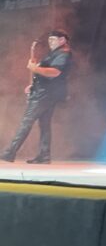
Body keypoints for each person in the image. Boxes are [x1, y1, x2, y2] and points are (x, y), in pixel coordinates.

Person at [2, 29, 73, 164]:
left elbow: (55, 72)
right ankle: (44, 155)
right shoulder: (56, 53)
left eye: (53, 39)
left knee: (27, 121)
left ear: (62, 40)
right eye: (49, 39)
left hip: (45, 94)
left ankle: (10, 152)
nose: (50, 42)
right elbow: (46, 74)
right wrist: (33, 85)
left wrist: (35, 68)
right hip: (47, 93)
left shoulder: (63, 54)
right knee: (44, 124)